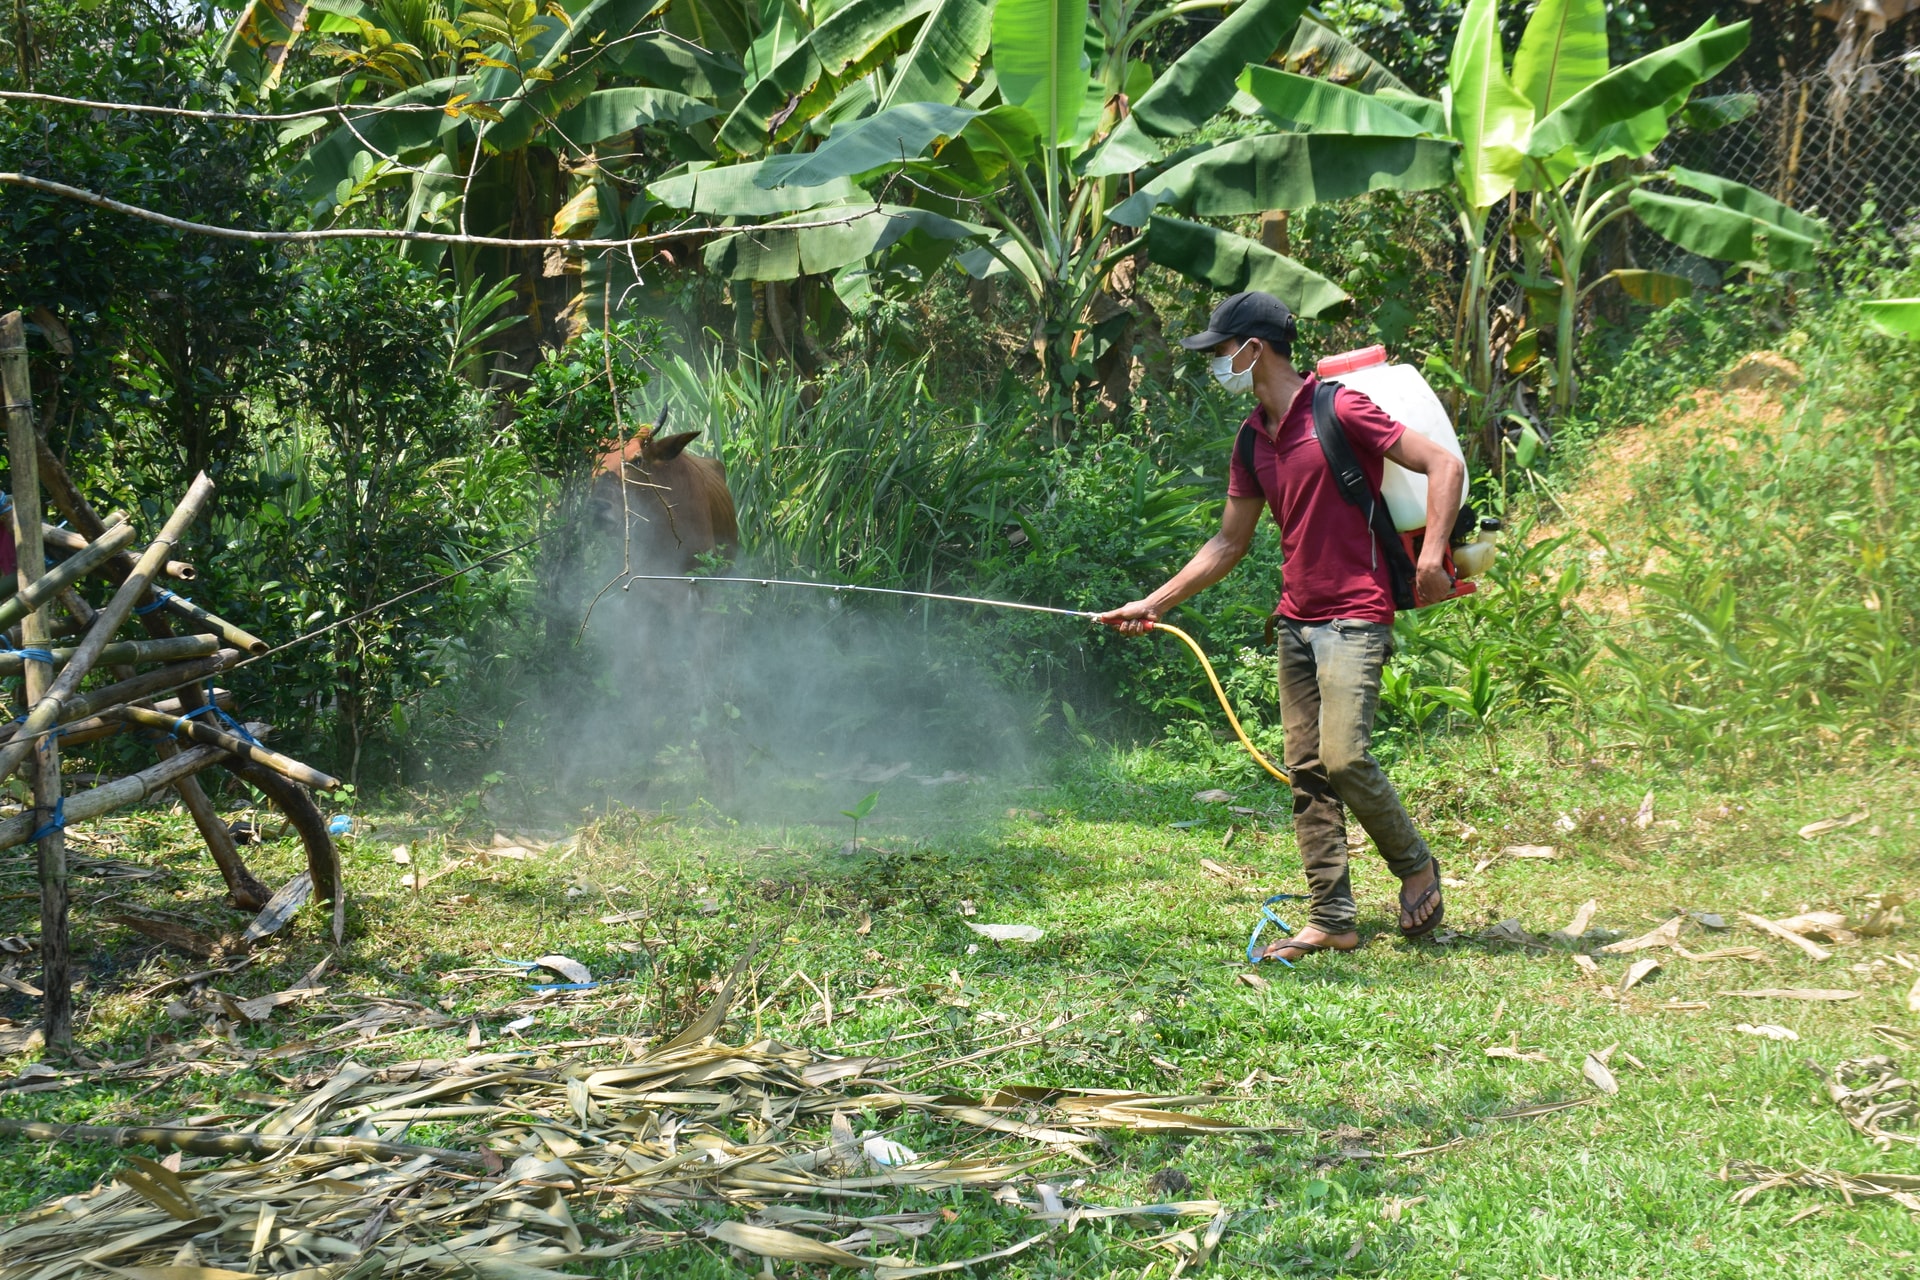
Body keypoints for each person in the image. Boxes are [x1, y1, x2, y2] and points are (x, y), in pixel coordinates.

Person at [1097, 291, 1465, 964]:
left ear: (1253, 350)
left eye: (1218, 353)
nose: (1215, 366)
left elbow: (1444, 464)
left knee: (1344, 758)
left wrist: (1435, 555)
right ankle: (1331, 918)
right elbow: (1227, 544)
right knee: (1307, 772)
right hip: (1295, 621)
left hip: (1357, 612)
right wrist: (1152, 603)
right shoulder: (1251, 438)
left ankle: (1415, 864)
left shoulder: (1339, 407)